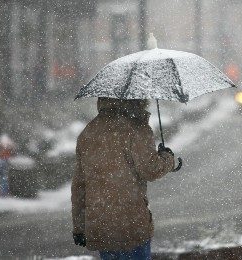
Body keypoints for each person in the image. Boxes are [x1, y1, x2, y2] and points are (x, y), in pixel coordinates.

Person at [71, 97, 175, 259]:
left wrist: (79, 227)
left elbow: (79, 186)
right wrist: (168, 158)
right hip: (131, 225)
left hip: (101, 226)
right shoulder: (136, 128)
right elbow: (151, 169)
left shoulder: (89, 132)